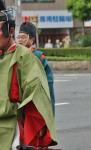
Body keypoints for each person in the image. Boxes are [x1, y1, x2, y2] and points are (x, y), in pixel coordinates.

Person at [0, 8, 57, 150]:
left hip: (13, 124)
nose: (21, 39)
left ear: (11, 31)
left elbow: (37, 90)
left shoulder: (26, 56)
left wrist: (40, 121)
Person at [17, 21, 55, 116]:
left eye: (23, 37)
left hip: (36, 105)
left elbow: (48, 84)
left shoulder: (39, 57)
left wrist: (49, 111)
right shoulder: (15, 56)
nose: (20, 40)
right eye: (19, 37)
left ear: (32, 39)